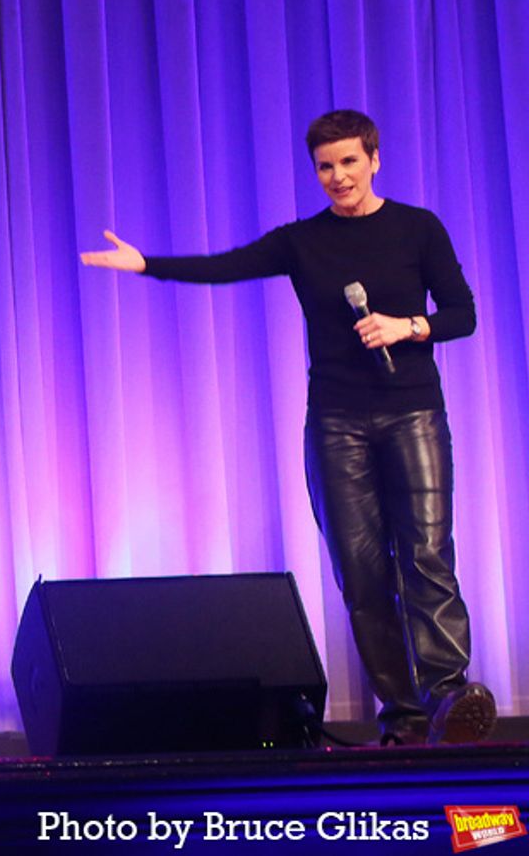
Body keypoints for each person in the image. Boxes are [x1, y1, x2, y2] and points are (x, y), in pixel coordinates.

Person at [81, 110, 496, 746]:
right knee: (362, 575)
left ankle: (447, 697)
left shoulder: (418, 228)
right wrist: (146, 264)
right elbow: (226, 265)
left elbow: (462, 314)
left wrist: (408, 326)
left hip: (413, 412)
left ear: (374, 159)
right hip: (335, 423)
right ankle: (403, 716)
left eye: (349, 162)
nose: (338, 176)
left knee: (427, 556)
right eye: (325, 167)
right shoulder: (303, 242)